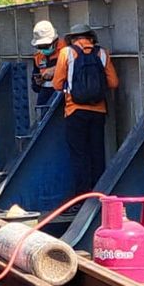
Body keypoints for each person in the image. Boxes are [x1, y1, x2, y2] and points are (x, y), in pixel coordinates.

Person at [52, 23, 119, 188]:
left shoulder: (66, 53)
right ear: (90, 37)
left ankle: (82, 197)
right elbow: (114, 82)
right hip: (99, 111)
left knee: (79, 154)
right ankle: (99, 193)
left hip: (74, 110)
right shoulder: (102, 53)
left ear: (72, 38)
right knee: (97, 153)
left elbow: (57, 84)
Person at [30, 21, 67, 108]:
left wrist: (56, 69)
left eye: (45, 46)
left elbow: (77, 69)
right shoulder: (38, 57)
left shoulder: (67, 50)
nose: (43, 49)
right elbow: (35, 87)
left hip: (64, 96)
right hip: (45, 97)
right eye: (40, 46)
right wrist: (37, 82)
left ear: (54, 41)